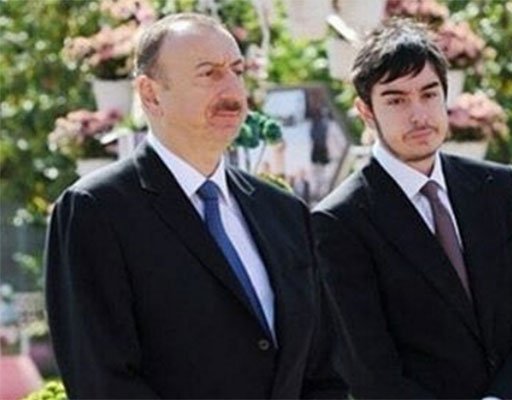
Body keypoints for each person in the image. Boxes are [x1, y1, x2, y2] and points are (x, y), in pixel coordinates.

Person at [45, 13, 345, 399]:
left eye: (237, 70)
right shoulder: (96, 211)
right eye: (209, 73)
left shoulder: (284, 213)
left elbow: (323, 370)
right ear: (151, 94)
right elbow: (102, 380)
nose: (232, 89)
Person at [311, 18, 512, 399]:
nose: (419, 114)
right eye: (396, 100)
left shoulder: (499, 189)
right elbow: (371, 373)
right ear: (365, 111)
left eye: (429, 94)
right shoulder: (340, 221)